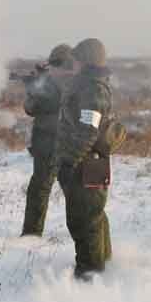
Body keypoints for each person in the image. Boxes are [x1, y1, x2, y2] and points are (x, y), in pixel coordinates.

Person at [52, 38, 115, 280]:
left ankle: (89, 275)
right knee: (93, 215)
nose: (73, 63)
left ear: (86, 61)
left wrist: (70, 161)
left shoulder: (93, 89)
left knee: (84, 219)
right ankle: (102, 267)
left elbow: (88, 129)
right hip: (88, 160)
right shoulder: (87, 84)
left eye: (77, 59)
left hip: (87, 163)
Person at [21, 43, 76, 236]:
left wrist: (34, 88)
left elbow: (31, 108)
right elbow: (31, 108)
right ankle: (80, 233)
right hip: (59, 144)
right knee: (64, 190)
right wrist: (35, 86)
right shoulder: (74, 82)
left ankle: (32, 234)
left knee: (45, 189)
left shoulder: (58, 83)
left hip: (57, 143)